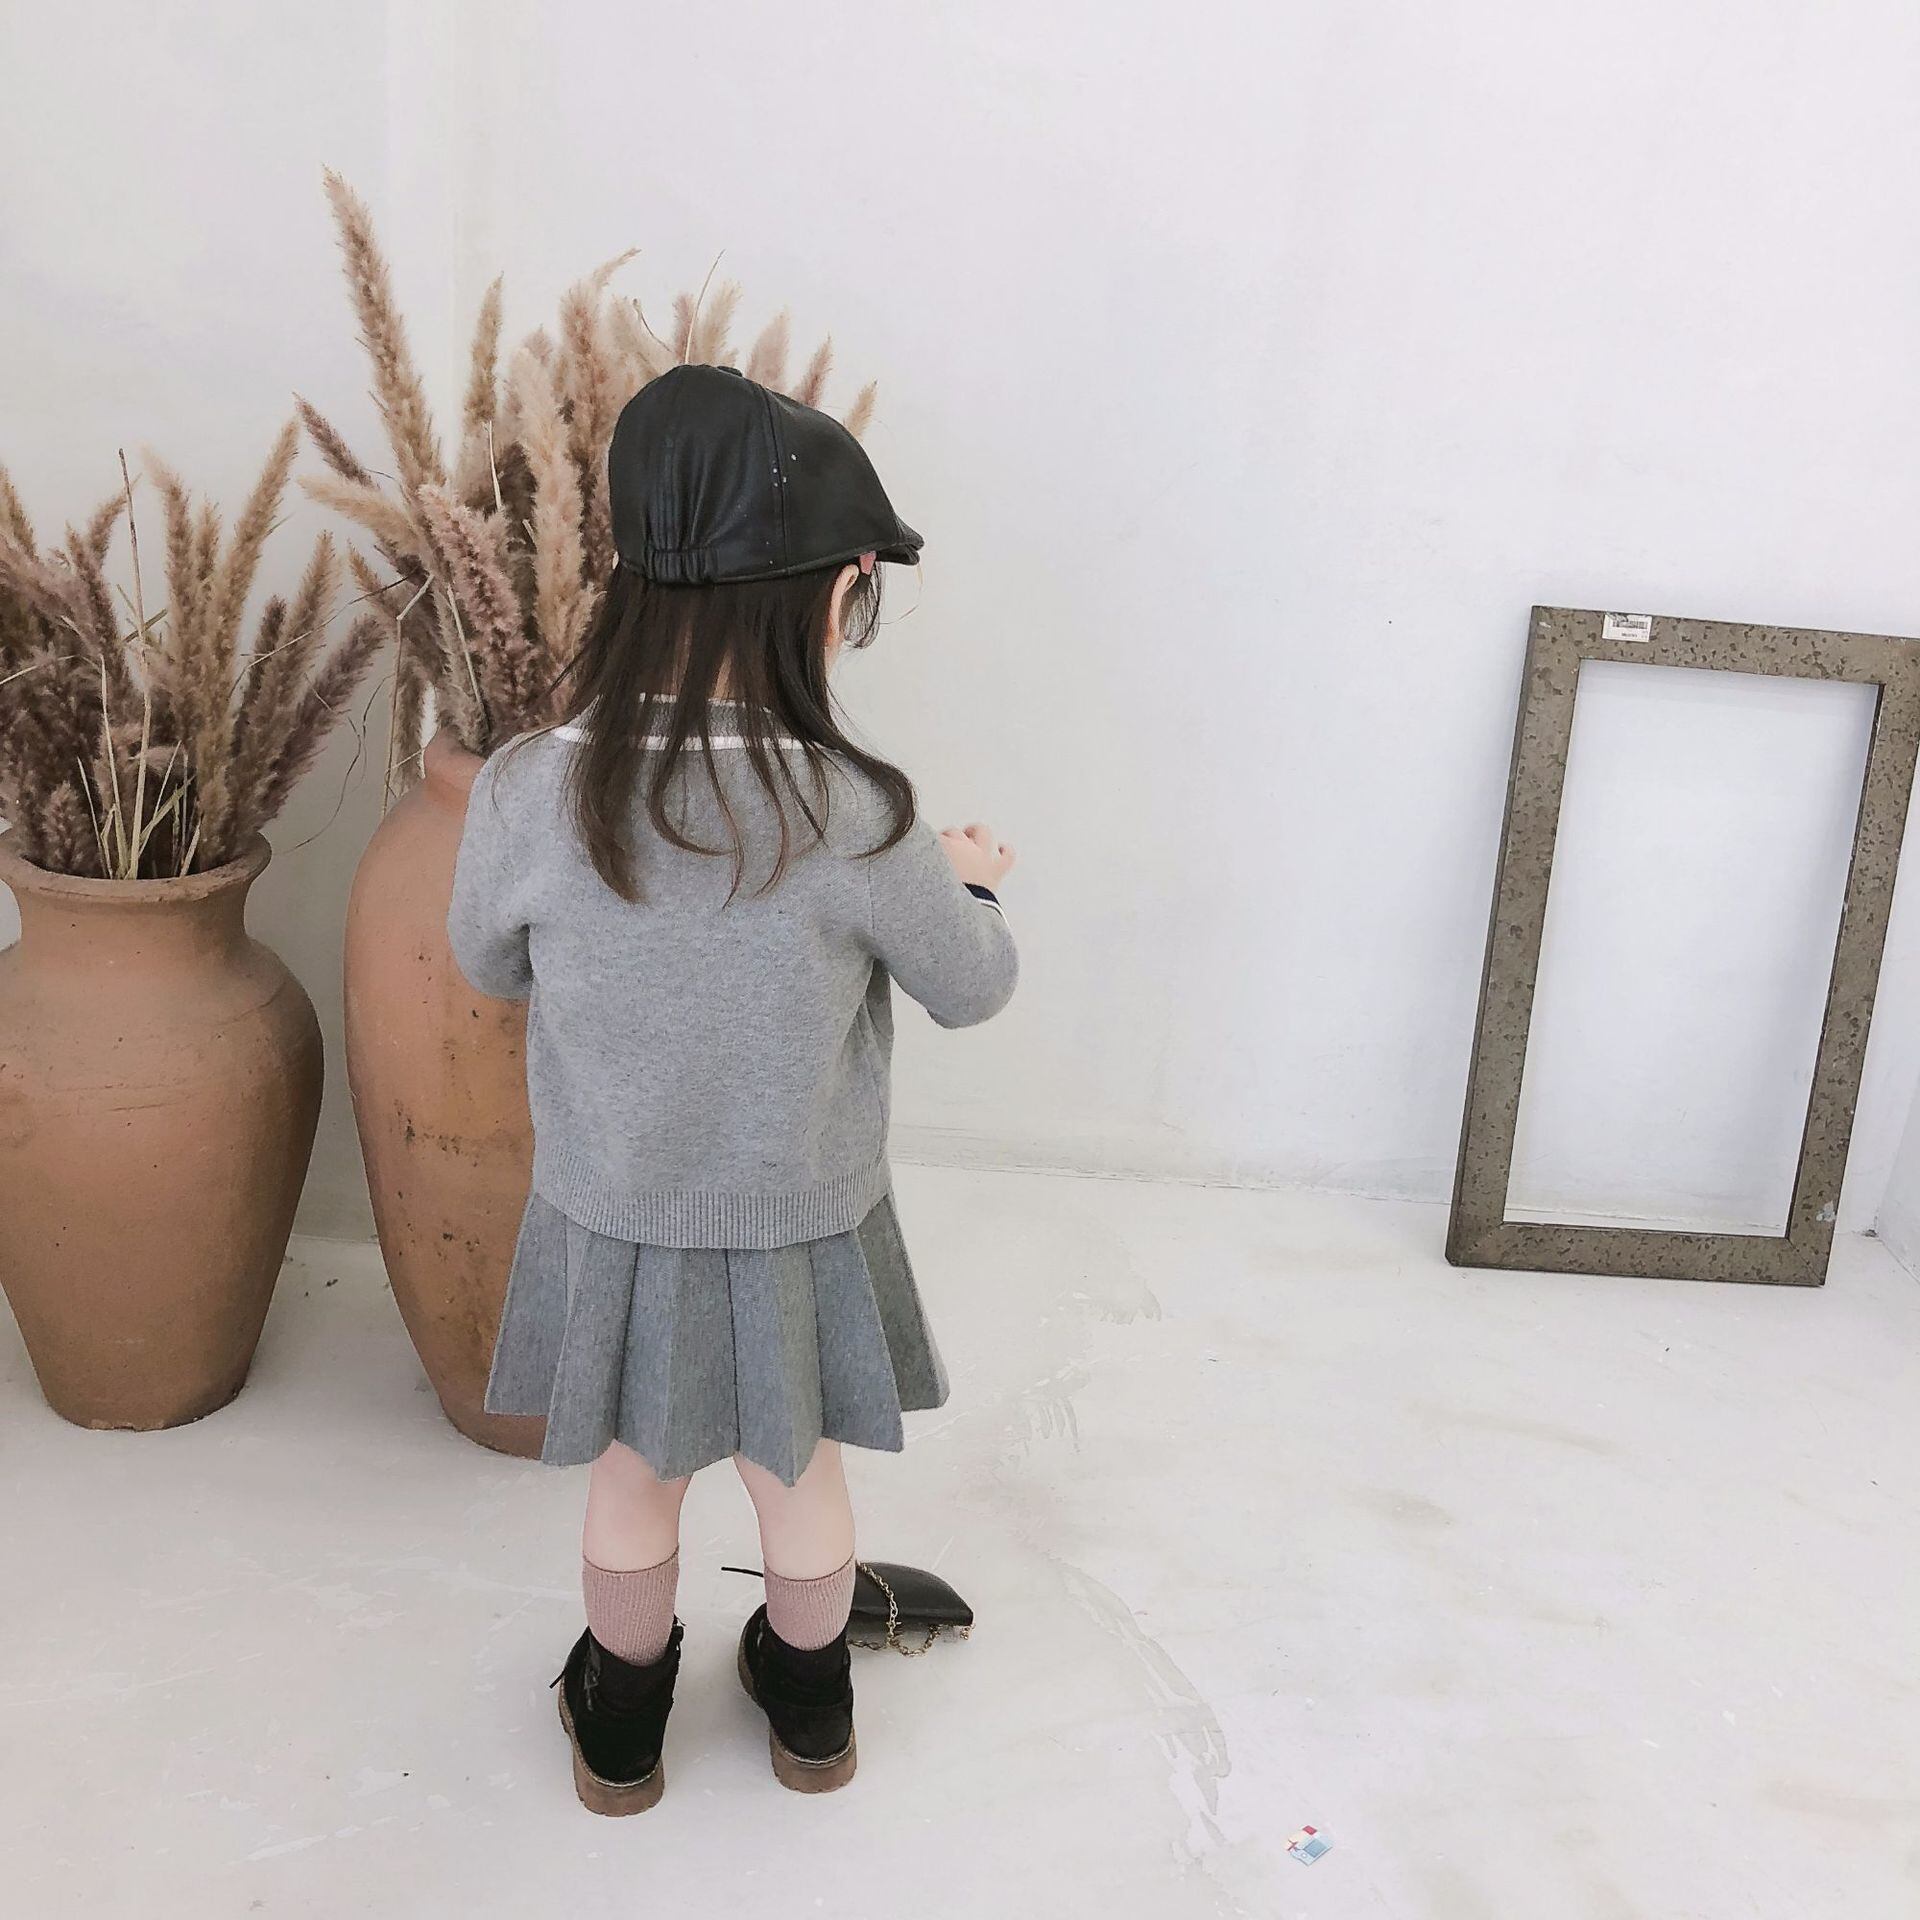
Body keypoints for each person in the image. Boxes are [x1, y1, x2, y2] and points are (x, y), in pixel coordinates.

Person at [448, 364, 1018, 1813]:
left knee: (632, 1477)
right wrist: (967, 884)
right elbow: (970, 987)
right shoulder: (863, 811)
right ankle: (812, 1716)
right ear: (825, 603)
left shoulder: (529, 788)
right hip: (799, 1224)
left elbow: (488, 962)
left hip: (614, 1217)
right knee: (799, 1473)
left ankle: (622, 1724)